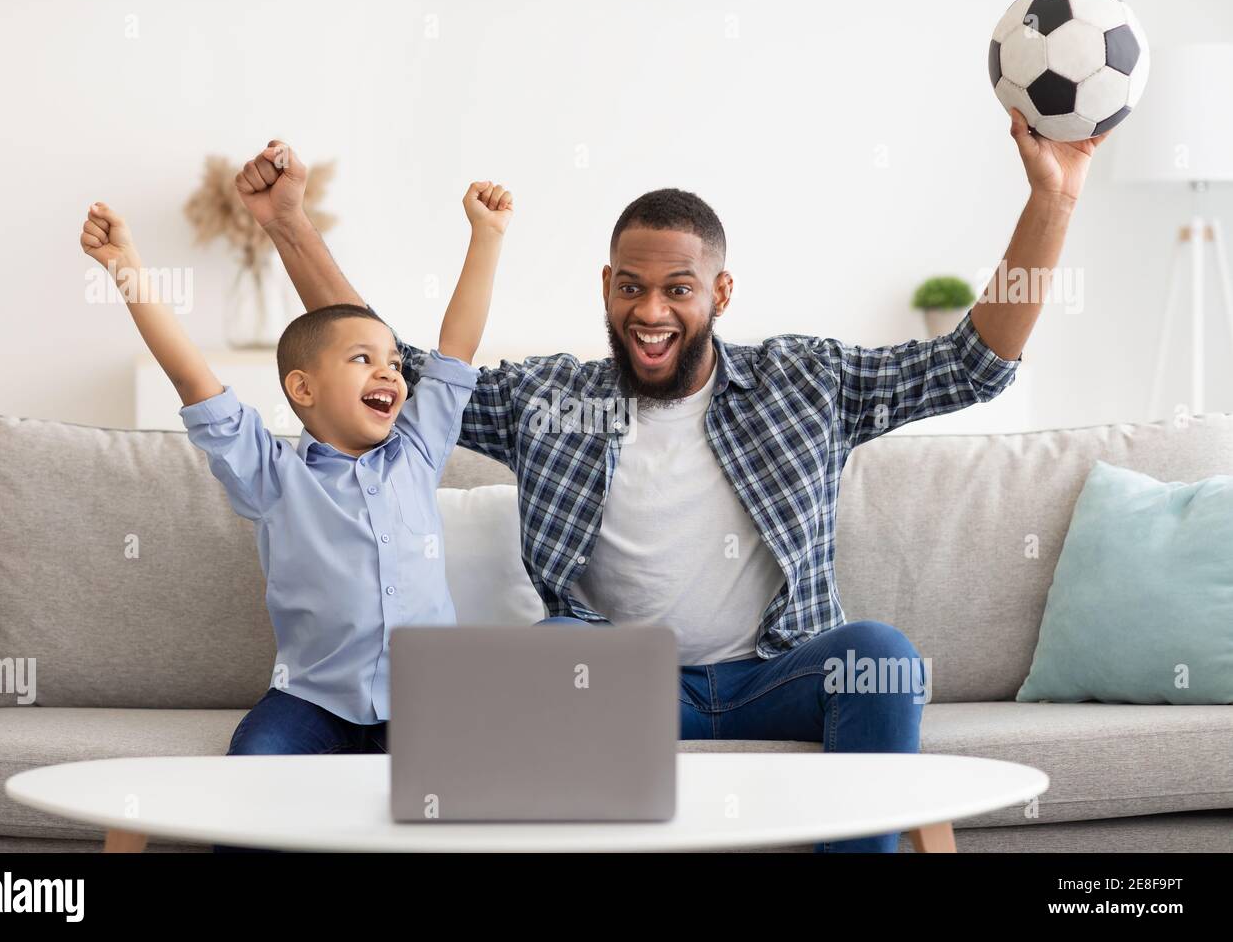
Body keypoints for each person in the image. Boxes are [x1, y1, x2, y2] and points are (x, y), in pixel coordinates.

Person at [237, 109, 1111, 851]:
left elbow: (972, 366)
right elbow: (395, 365)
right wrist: (288, 225)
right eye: (631, 288)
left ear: (720, 292)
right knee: (538, 659)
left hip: (775, 674)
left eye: (678, 289)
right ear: (607, 287)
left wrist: (1054, 197)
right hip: (620, 677)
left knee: (879, 659)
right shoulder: (553, 400)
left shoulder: (803, 380)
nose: (650, 313)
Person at [79, 171, 512, 851]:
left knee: (482, 804)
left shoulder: (418, 451)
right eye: (364, 358)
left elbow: (456, 350)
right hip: (311, 703)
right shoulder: (272, 474)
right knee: (248, 794)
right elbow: (193, 376)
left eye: (395, 362)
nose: (391, 373)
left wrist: (485, 237)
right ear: (302, 388)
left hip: (429, 706)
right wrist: (126, 268)